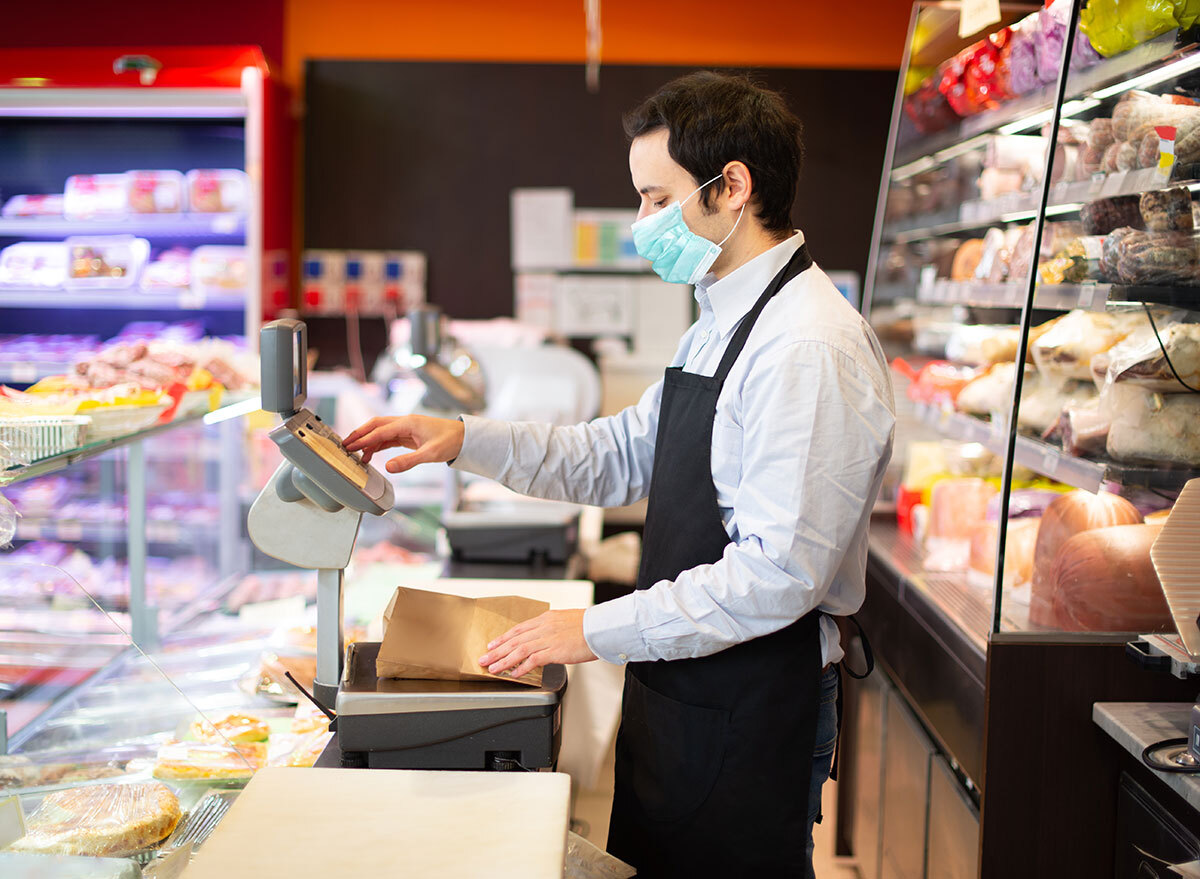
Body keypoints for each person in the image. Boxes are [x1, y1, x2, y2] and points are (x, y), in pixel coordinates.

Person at [344, 71, 895, 878]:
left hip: (751, 702)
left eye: (654, 197)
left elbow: (780, 573)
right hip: (688, 686)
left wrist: (590, 629)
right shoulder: (718, 321)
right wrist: (465, 437)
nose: (641, 223)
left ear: (732, 187)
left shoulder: (807, 345)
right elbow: (615, 457)